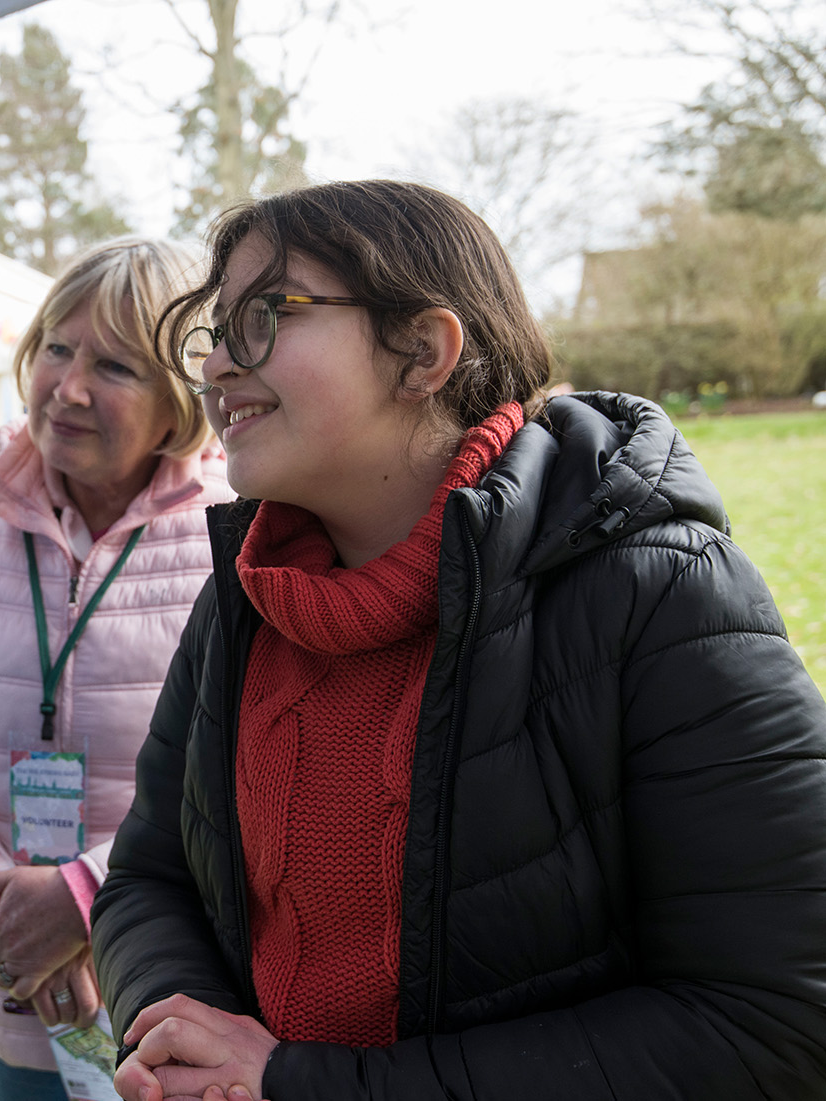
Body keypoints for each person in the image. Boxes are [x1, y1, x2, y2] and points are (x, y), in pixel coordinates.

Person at [90, 180, 826, 1101]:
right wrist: (184, 1034)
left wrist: (302, 1083)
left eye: (265, 316)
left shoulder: (659, 593)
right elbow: (147, 879)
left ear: (425, 351)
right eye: (217, 330)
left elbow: (771, 1023)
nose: (216, 369)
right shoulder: (244, 599)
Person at [0, 236, 235, 1100]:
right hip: (9, 983)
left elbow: (245, 776)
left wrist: (85, 900)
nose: (65, 387)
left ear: (178, 394)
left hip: (170, 982)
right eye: (56, 348)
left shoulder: (238, 531)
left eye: (112, 365)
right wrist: (7, 916)